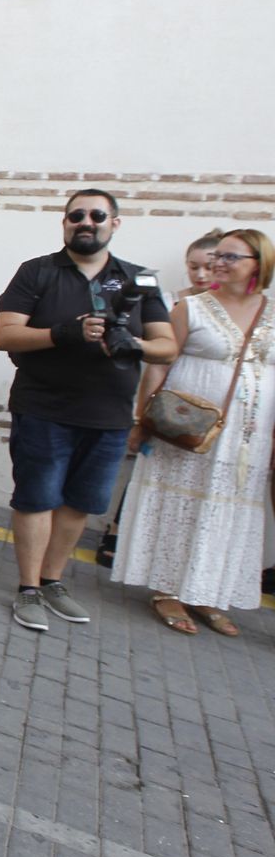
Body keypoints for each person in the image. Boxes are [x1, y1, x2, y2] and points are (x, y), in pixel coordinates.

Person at [0, 188, 175, 633]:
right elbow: (4, 335)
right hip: (44, 407)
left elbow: (167, 347)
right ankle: (28, 588)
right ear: (65, 222)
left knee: (80, 502)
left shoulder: (138, 279)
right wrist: (63, 333)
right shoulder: (37, 272)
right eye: (76, 215)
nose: (86, 222)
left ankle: (53, 581)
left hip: (109, 415)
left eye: (97, 215)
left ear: (115, 223)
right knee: (36, 498)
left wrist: (133, 344)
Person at [110, 228, 274, 636]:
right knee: (179, 503)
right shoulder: (191, 308)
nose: (218, 263)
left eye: (230, 257)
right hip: (187, 428)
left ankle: (204, 592)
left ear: (258, 264)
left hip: (246, 439)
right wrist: (143, 419)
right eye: (217, 256)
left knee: (226, 511)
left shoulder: (271, 312)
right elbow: (160, 364)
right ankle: (166, 589)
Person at [97, 227, 223, 568]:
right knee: (150, 467)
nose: (201, 274)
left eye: (209, 266)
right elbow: (156, 361)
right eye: (193, 266)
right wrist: (142, 415)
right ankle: (119, 532)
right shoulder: (171, 302)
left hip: (215, 408)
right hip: (172, 401)